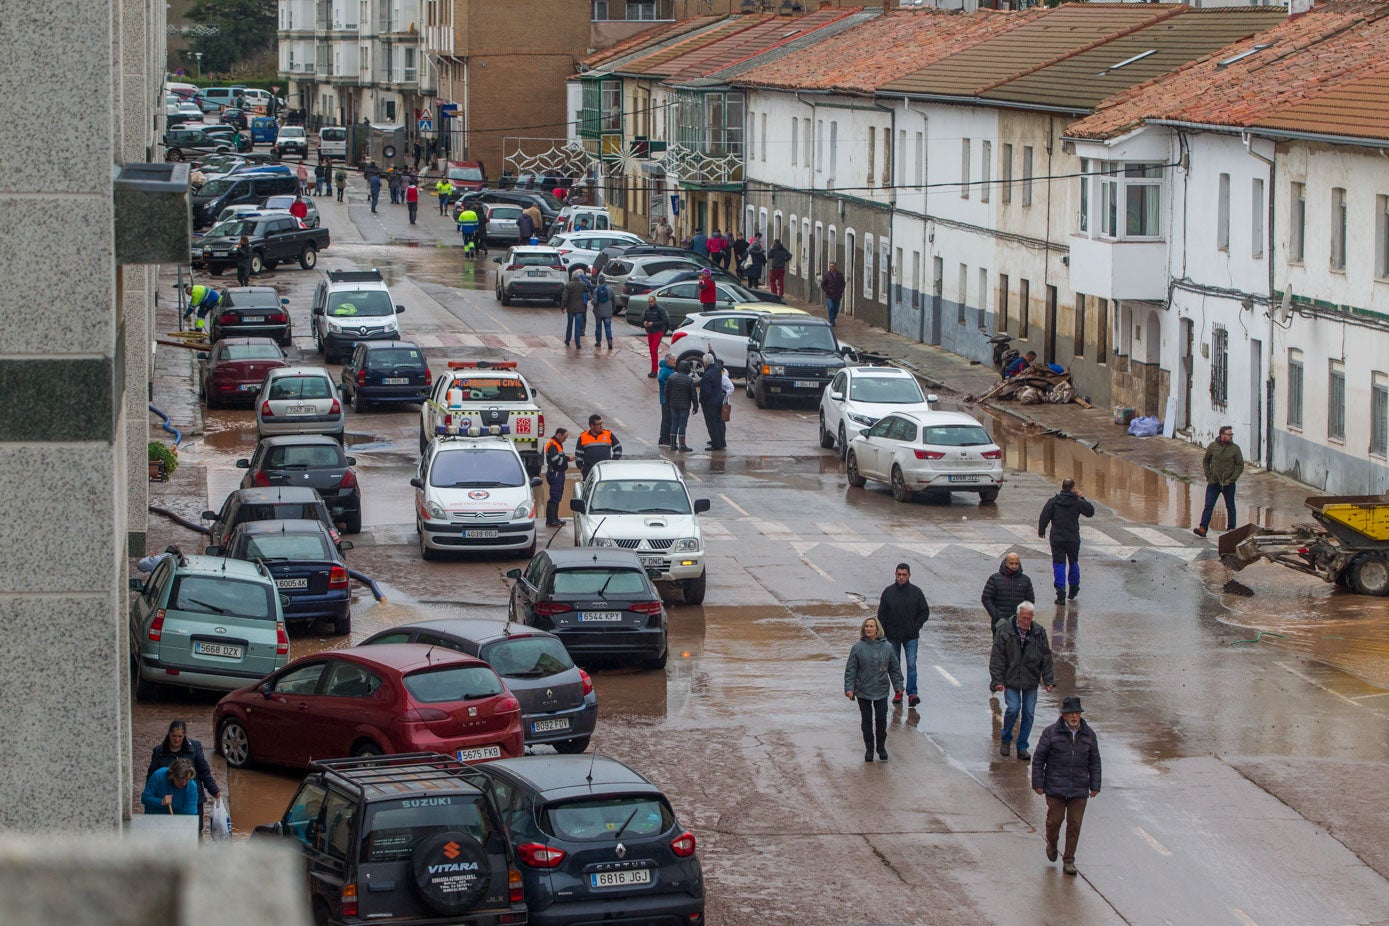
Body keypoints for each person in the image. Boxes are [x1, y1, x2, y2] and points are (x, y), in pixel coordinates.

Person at [1032, 696, 1101, 876]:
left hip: (1079, 789)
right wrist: (1038, 783)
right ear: (1063, 715)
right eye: (1070, 713)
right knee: (1054, 822)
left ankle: (1069, 860)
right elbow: (1039, 759)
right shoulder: (1050, 733)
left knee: (1074, 825)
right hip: (1055, 787)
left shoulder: (1088, 734)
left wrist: (1095, 785)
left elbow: (1095, 762)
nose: (1074, 716)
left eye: (1077, 713)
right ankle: (1052, 844)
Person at [990, 601, 1055, 760]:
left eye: (1029, 618)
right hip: (1011, 678)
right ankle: (1006, 738)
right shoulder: (1004, 631)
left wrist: (1048, 680)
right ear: (1018, 615)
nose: (1026, 622)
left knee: (1028, 713)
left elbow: (1046, 657)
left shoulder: (1039, 632)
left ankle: (1022, 746)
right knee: (1013, 708)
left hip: (1030, 679)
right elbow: (997, 657)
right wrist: (997, 680)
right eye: (1024, 618)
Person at [146, 720, 222, 834]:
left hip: (192, 798)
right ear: (169, 734)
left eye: (180, 736)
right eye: (174, 736)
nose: (177, 740)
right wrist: (156, 800)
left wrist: (214, 789)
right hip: (171, 801)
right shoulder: (159, 752)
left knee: (195, 830)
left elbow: (204, 771)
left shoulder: (195, 747)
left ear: (184, 735)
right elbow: (151, 777)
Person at [844, 616, 904, 763]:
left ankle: (881, 748)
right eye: (866, 626)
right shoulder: (858, 647)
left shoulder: (887, 647)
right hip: (863, 690)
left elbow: (894, 669)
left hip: (881, 690)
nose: (869, 629)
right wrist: (849, 688)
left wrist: (898, 686)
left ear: (877, 629)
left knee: (881, 720)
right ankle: (869, 749)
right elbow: (851, 670)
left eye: (871, 626)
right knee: (866, 721)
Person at [877, 562, 929, 708]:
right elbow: (881, 614)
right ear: (895, 575)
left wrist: (916, 626)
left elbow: (924, 611)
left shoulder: (916, 592)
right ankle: (898, 691)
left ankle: (912, 693)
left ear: (909, 575)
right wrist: (884, 632)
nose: (901, 577)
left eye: (904, 575)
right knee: (895, 665)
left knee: (911, 664)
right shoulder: (888, 592)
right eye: (899, 574)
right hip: (892, 636)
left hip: (911, 636)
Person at [1038, 478, 1095, 604]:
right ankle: (1073, 589)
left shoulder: (1053, 501)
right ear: (1073, 488)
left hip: (1057, 538)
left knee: (1059, 565)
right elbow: (1090, 512)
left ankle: (1061, 594)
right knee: (1073, 562)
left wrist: (1041, 531)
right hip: (1073, 538)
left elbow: (1044, 516)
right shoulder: (1077, 502)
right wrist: (1082, 497)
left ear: (1062, 487)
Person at [1194, 425, 1244, 538]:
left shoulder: (1235, 449)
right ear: (1222, 435)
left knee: (1230, 507)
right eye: (1229, 434)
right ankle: (1203, 528)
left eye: (1232, 435)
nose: (1231, 436)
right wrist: (1209, 476)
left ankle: (1231, 530)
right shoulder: (1213, 447)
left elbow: (1240, 465)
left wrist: (1232, 479)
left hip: (1228, 484)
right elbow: (1206, 461)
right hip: (1214, 483)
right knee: (1209, 505)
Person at [981, 553, 1035, 639]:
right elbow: (986, 598)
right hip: (1000, 623)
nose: (1014, 566)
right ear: (1006, 563)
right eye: (1011, 563)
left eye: (1016, 563)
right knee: (1000, 649)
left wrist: (1023, 618)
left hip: (1019, 624)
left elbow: (1030, 601)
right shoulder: (995, 579)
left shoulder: (1026, 580)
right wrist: (996, 616)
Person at [665, 360, 699, 453]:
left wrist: (668, 403)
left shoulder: (671, 378)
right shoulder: (689, 380)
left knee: (674, 424)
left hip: (673, 405)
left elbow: (666, 392)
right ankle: (682, 446)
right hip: (684, 406)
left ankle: (672, 445)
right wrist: (696, 406)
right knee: (682, 426)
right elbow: (693, 395)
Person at [699, 353, 728, 451]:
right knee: (720, 422)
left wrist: (702, 400)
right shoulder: (717, 369)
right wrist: (711, 350)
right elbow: (716, 360)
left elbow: (706, 392)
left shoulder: (707, 375)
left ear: (705, 363)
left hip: (710, 402)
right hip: (719, 399)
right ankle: (721, 441)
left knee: (712, 423)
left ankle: (716, 444)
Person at [543, 428, 571, 527]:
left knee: (557, 497)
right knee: (554, 498)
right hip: (555, 473)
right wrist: (567, 458)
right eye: (564, 437)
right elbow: (557, 461)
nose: (565, 439)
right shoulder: (552, 445)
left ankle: (555, 518)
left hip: (558, 473)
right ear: (559, 435)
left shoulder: (557, 444)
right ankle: (550, 521)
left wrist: (565, 458)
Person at [641, 295, 670, 378]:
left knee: (653, 350)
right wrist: (644, 323)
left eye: (651, 301)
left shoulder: (660, 310)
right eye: (649, 302)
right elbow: (643, 319)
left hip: (658, 332)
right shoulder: (647, 310)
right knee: (652, 351)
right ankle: (653, 370)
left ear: (655, 301)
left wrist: (653, 324)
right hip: (650, 332)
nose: (650, 303)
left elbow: (664, 321)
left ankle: (654, 370)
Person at [562, 269, 588, 348]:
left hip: (570, 309)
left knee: (569, 325)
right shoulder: (582, 285)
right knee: (578, 326)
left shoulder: (568, 285)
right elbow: (587, 291)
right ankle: (578, 343)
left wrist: (563, 307)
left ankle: (567, 340)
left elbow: (565, 297)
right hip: (580, 309)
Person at [656, 352, 675, 447]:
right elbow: (660, 379)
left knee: (669, 419)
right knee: (667, 419)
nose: (674, 361)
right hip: (665, 399)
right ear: (668, 361)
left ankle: (666, 438)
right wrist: (667, 387)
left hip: (669, 398)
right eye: (673, 360)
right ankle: (663, 439)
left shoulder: (670, 369)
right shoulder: (665, 370)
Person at [591, 276, 615, 349]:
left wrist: (592, 302)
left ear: (599, 282)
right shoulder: (610, 289)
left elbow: (595, 302)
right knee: (608, 327)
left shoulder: (596, 290)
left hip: (598, 312)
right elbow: (615, 301)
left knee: (598, 327)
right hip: (608, 312)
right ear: (605, 281)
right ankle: (609, 341)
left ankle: (598, 342)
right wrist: (612, 310)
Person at [820, 260, 846, 327]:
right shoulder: (827, 275)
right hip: (829, 295)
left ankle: (833, 318)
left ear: (835, 267)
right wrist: (827, 290)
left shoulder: (840, 274)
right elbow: (823, 284)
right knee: (831, 307)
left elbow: (843, 283)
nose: (831, 268)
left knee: (836, 309)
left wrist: (840, 290)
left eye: (832, 266)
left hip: (837, 295)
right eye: (830, 266)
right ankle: (831, 321)